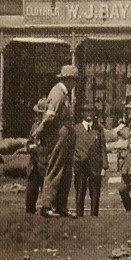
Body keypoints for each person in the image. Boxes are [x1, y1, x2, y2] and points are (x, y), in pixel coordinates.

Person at [33, 64, 78, 217]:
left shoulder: (64, 93)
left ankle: (61, 206)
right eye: (74, 80)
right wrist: (40, 131)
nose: (74, 84)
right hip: (59, 135)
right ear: (68, 80)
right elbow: (50, 115)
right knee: (55, 167)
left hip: (66, 136)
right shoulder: (58, 92)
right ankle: (46, 205)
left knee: (66, 171)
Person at [73, 104, 107, 217]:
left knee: (95, 193)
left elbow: (103, 147)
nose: (89, 114)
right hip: (80, 165)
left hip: (95, 166)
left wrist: (104, 167)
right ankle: (79, 215)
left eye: (91, 112)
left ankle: (94, 216)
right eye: (86, 111)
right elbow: (72, 147)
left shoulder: (99, 129)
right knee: (80, 192)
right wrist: (74, 161)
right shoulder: (76, 129)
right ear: (82, 114)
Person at [25, 98, 49, 214]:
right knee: (30, 196)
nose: (39, 116)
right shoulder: (35, 126)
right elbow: (29, 142)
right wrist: (30, 147)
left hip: (45, 165)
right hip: (33, 166)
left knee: (47, 197)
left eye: (41, 114)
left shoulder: (51, 129)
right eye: (38, 114)